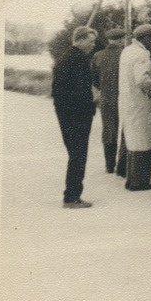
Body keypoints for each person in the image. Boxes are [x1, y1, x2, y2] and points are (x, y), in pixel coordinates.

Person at [52, 25, 98, 208]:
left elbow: (59, 90)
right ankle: (71, 198)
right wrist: (92, 99)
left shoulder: (68, 56)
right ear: (81, 39)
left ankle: (72, 195)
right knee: (78, 155)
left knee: (75, 154)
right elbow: (77, 91)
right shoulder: (77, 59)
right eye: (91, 41)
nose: (93, 45)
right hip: (76, 115)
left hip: (67, 113)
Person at [118, 24, 151, 191]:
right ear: (144, 38)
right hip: (141, 104)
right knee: (143, 143)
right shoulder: (141, 55)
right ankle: (140, 182)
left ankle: (131, 180)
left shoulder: (127, 51)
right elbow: (142, 80)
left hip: (129, 102)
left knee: (133, 142)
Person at [91, 28, 125, 174]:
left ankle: (109, 165)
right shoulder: (124, 54)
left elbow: (93, 79)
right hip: (124, 97)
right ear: (121, 39)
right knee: (126, 130)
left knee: (109, 131)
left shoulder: (98, 55)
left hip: (106, 98)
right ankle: (123, 165)